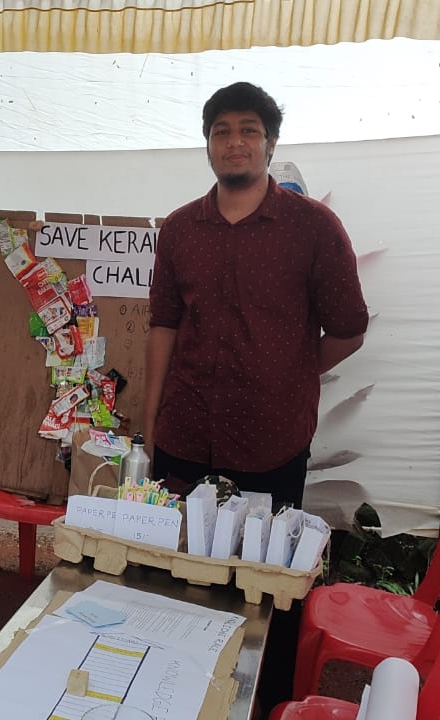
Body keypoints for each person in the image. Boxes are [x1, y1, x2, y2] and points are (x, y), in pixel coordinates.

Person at [143, 81, 368, 714]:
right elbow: (163, 324)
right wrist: (151, 419)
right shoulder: (181, 229)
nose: (234, 142)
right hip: (186, 430)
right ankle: (175, 692)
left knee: (267, 581)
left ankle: (263, 701)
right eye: (221, 130)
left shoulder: (313, 228)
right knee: (176, 566)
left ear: (269, 142)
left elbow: (349, 327)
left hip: (271, 438)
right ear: (207, 144)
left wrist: (292, 373)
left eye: (248, 129)